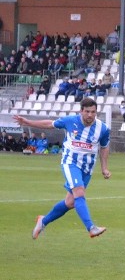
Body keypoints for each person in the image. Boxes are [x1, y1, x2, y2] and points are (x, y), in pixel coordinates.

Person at [13, 97, 110, 239]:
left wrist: (104, 168)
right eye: (87, 111)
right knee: (79, 193)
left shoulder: (103, 128)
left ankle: (43, 221)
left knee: (70, 202)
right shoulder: (70, 121)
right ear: (81, 111)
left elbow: (104, 147)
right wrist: (27, 122)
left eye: (93, 112)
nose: (90, 115)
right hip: (70, 163)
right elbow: (50, 124)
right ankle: (91, 227)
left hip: (87, 168)